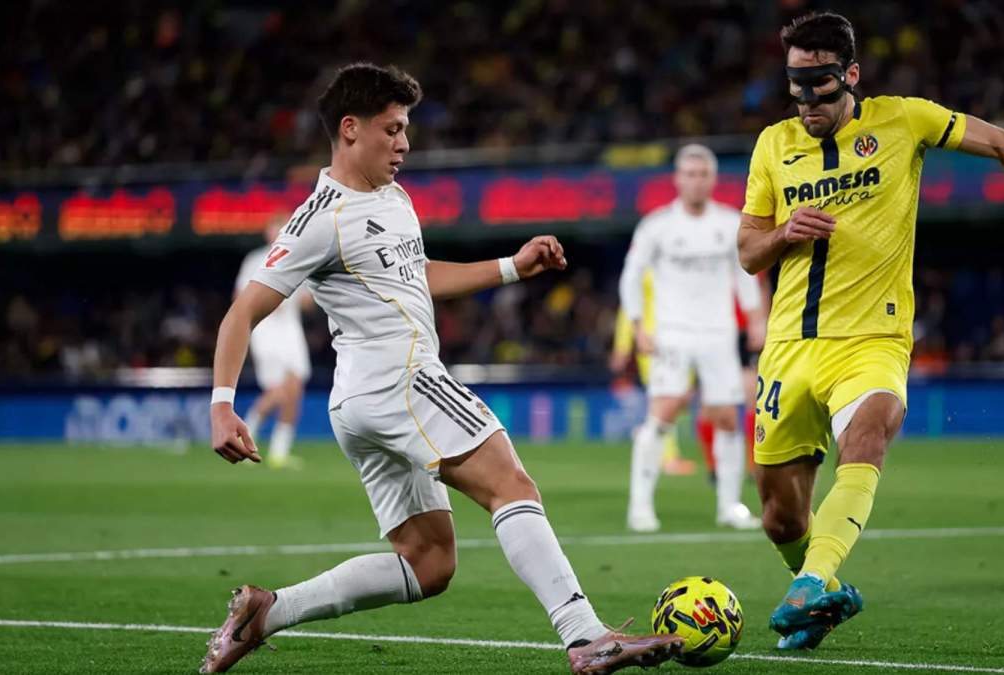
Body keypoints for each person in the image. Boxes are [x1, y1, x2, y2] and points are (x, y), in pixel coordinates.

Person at [203, 62, 681, 674]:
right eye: (392, 129)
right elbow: (242, 311)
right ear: (349, 129)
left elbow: (418, 275)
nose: (405, 144)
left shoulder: (393, 198)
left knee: (428, 563)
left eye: (406, 130)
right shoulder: (321, 218)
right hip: (399, 379)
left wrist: (512, 265)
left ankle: (266, 612)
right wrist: (222, 405)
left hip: (361, 402)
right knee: (512, 484)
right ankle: (585, 635)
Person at [737, 12, 1004, 650]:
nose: (807, 100)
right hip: (789, 346)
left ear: (851, 75)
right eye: (796, 85)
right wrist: (783, 233)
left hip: (874, 338)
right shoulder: (772, 145)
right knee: (779, 514)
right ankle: (821, 591)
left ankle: (815, 578)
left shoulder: (905, 120)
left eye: (820, 84)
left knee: (870, 430)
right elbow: (747, 253)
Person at [619, 144, 767, 533]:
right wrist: (638, 327)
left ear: (713, 180)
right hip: (672, 335)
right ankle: (640, 507)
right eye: (689, 173)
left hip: (719, 335)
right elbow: (631, 276)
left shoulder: (729, 223)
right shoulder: (657, 226)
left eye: (703, 174)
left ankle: (729, 506)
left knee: (726, 419)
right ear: (677, 179)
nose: (696, 181)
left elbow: (745, 274)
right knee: (663, 412)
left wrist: (755, 318)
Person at [233, 215, 313, 469]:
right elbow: (239, 297)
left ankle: (279, 452)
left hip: (291, 331)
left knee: (295, 388)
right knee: (278, 390)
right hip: (266, 330)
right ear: (268, 233)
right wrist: (266, 302)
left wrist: (300, 298)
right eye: (275, 229)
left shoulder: (300, 259)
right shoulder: (255, 260)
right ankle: (245, 438)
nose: (279, 233)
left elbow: (308, 301)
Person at [609, 275, 697, 477]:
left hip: (679, 341)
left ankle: (647, 435)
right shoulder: (643, 267)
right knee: (665, 397)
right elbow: (629, 309)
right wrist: (622, 346)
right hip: (651, 343)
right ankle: (668, 458)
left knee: (677, 399)